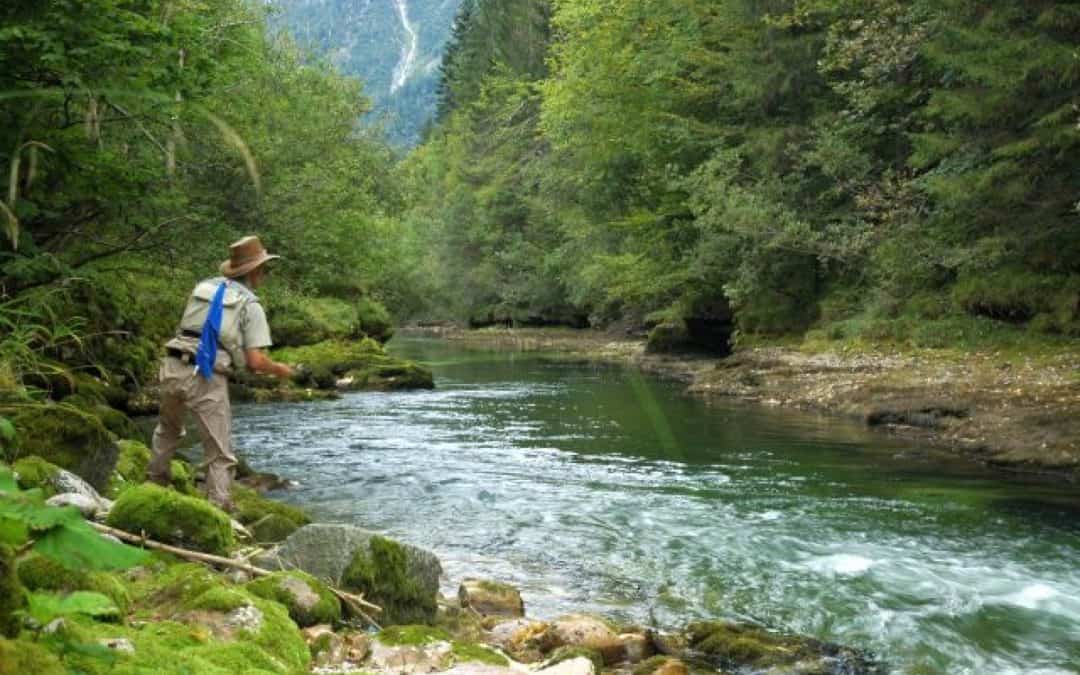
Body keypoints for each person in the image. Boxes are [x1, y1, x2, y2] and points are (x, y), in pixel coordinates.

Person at [148, 235, 296, 511]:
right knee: (219, 453)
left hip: (172, 364)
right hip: (206, 374)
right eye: (264, 269)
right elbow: (254, 361)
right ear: (254, 271)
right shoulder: (251, 305)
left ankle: (152, 491)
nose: (265, 274)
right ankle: (219, 511)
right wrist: (280, 370)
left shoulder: (202, 287)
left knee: (167, 430)